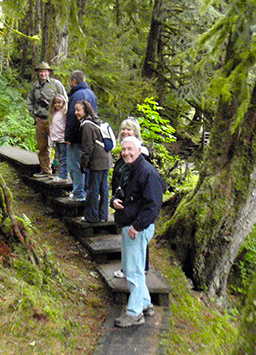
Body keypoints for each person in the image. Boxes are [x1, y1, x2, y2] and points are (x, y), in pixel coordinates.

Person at [111, 136, 164, 328]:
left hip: (137, 228)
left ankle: (134, 314)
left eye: (129, 149)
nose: (126, 153)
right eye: (123, 149)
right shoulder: (127, 169)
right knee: (133, 267)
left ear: (139, 150)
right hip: (128, 224)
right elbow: (119, 192)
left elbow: (153, 206)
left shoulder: (148, 172)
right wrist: (113, 201)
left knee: (133, 271)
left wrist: (137, 226)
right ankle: (145, 303)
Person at [111, 117, 152, 279]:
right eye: (123, 129)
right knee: (129, 238)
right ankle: (134, 267)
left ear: (136, 132)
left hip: (136, 204)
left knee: (137, 237)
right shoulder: (124, 153)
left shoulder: (141, 156)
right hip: (124, 203)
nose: (125, 132)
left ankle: (138, 268)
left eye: (129, 129)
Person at [27, 62, 68, 178]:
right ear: (38, 73)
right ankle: (45, 170)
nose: (43, 73)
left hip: (54, 122)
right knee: (43, 147)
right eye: (41, 71)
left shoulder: (56, 84)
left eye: (45, 71)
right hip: (40, 121)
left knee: (58, 147)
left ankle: (58, 170)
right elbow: (30, 101)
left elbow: (65, 100)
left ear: (48, 72)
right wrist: (34, 116)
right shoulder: (35, 86)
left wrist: (60, 116)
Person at [75, 100, 112, 222]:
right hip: (106, 159)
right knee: (104, 189)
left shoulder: (87, 125)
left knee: (93, 189)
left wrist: (83, 164)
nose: (76, 113)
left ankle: (92, 216)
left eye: (78, 110)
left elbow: (88, 147)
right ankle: (103, 215)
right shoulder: (96, 121)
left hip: (96, 162)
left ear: (85, 111)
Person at [65, 70, 97, 201]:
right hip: (89, 136)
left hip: (78, 137)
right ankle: (85, 192)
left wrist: (68, 137)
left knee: (75, 165)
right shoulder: (92, 94)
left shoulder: (77, 95)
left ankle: (78, 193)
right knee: (86, 165)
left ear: (74, 81)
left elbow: (73, 117)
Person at [48, 94, 69, 183]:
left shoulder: (64, 114)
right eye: (55, 103)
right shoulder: (54, 114)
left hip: (62, 139)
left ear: (63, 103)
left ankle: (64, 176)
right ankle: (60, 174)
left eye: (59, 103)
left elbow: (65, 127)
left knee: (64, 158)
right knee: (59, 158)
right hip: (56, 139)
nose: (57, 105)